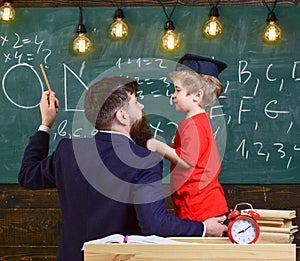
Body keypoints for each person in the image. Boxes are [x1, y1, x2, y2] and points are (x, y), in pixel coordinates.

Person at [18, 76, 227, 261]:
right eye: (136, 102)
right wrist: (203, 228)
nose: (142, 107)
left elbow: (28, 176)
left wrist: (46, 123)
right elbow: (154, 224)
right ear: (122, 116)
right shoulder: (145, 159)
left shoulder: (68, 151)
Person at [146, 54, 229, 222]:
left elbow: (186, 161)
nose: (173, 95)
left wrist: (158, 146)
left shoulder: (193, 125)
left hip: (198, 207)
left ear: (197, 96)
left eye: (177, 90)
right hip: (201, 203)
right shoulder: (199, 122)